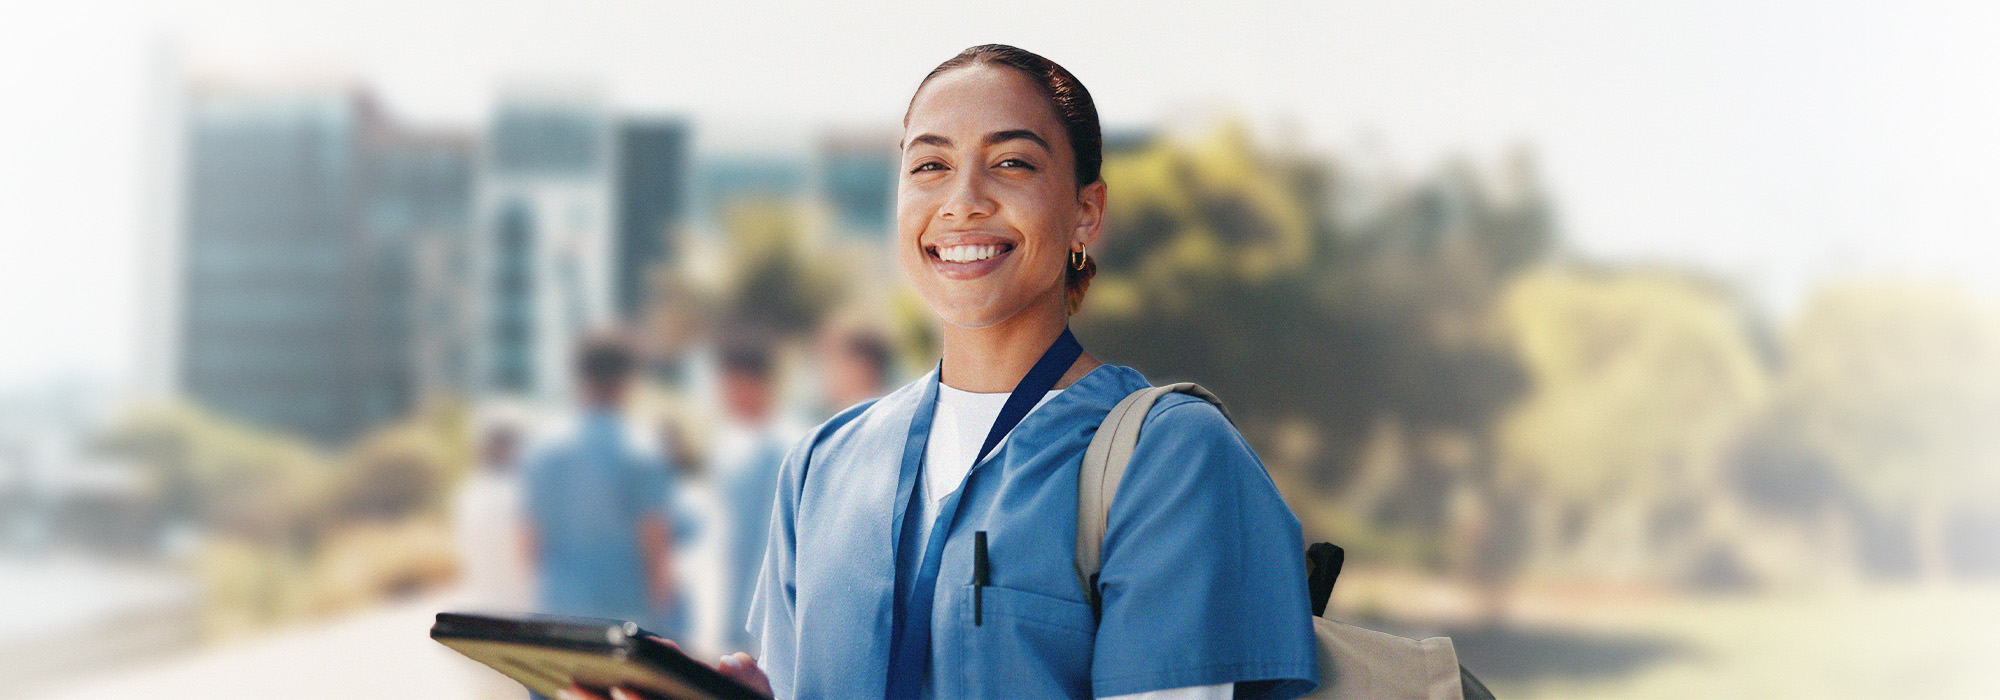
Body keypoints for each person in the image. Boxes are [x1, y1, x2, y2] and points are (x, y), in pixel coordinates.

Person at [572, 44, 1317, 700]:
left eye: (1012, 163)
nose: (962, 202)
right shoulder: (823, 466)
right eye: (930, 165)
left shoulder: (1171, 460)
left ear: (1087, 214)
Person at [524, 329, 687, 657]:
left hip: (555, 624)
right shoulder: (643, 451)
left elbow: (530, 545)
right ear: (628, 380)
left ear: (578, 377)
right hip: (624, 631)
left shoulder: (542, 450)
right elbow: (656, 549)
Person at [712, 337, 793, 656]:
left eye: (729, 382)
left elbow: (774, 543)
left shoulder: (785, 446)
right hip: (738, 609)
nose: (722, 392)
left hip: (768, 619)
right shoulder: (729, 442)